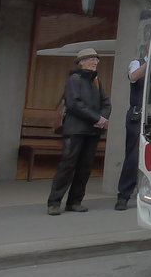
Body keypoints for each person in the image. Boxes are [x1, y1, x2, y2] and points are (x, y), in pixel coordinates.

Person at [47, 47, 111, 215]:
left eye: (96, 59)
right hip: (75, 130)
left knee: (85, 167)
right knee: (67, 165)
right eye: (91, 59)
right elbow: (74, 104)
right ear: (81, 62)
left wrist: (103, 118)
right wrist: (97, 119)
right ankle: (54, 202)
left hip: (92, 131)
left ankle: (75, 201)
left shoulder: (96, 80)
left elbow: (106, 102)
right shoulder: (74, 79)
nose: (95, 62)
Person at [114, 49, 147, 211]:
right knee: (133, 156)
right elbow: (133, 77)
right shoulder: (137, 63)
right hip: (138, 114)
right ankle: (123, 196)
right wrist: (150, 63)